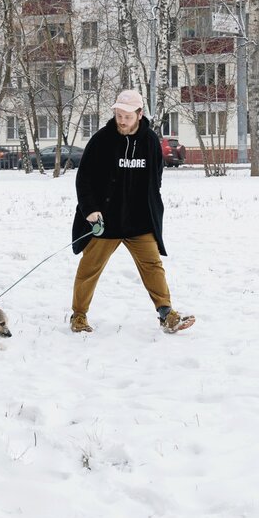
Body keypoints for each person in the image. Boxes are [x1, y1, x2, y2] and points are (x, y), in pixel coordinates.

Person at [69, 89, 194, 335]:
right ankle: (79, 316)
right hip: (105, 221)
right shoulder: (101, 140)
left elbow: (155, 179)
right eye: (118, 115)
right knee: (89, 269)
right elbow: (83, 179)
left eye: (127, 116)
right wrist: (90, 210)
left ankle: (167, 314)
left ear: (139, 114)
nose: (122, 120)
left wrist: (150, 206)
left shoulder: (149, 142)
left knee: (153, 266)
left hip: (139, 221)